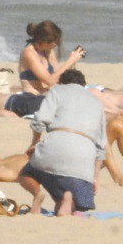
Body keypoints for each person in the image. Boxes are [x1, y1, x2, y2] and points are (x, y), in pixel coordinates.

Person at [17, 69, 107, 216]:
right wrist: (95, 177)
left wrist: (35, 142)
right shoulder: (97, 103)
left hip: (54, 148)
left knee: (25, 173)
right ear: (83, 85)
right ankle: (68, 200)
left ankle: (37, 193)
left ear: (62, 82)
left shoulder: (57, 91)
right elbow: (101, 147)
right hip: (82, 163)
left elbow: (39, 120)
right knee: (72, 199)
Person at [17, 20, 85, 94]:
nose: (55, 45)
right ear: (43, 41)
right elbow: (49, 81)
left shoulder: (48, 50)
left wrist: (73, 60)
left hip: (47, 93)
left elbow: (58, 78)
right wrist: (70, 60)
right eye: (53, 42)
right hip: (32, 96)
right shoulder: (29, 53)